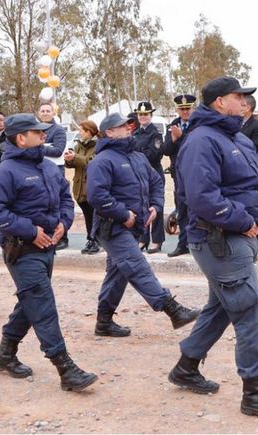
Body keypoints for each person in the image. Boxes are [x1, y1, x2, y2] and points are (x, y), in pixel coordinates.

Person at [168, 76, 258, 420]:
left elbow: (254, 185)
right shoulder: (202, 141)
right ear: (220, 102)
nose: (245, 102)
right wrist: (244, 221)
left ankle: (186, 366)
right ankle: (254, 392)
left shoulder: (234, 136)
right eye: (239, 96)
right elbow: (203, 198)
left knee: (221, 307)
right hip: (218, 238)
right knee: (251, 309)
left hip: (238, 235)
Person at [0, 113, 97, 392]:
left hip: (48, 248)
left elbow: (65, 200)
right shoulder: (5, 171)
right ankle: (65, 368)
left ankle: (5, 355)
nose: (44, 135)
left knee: (30, 302)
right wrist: (31, 231)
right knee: (42, 304)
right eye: (38, 132)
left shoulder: (47, 166)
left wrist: (63, 224)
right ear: (21, 138)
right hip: (22, 251)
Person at [86, 113, 199, 337]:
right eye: (122, 126)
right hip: (112, 227)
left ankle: (104, 322)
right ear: (109, 132)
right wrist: (122, 213)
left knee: (118, 274)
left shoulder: (137, 157)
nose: (129, 128)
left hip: (134, 226)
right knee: (137, 266)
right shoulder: (103, 160)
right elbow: (97, 196)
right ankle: (172, 309)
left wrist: (156, 206)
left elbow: (156, 181)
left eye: (129, 125)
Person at [162, 94, 196, 258]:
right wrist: (174, 139)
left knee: (198, 209)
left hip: (196, 173)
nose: (185, 112)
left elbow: (197, 145)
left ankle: (199, 245)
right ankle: (183, 244)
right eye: (182, 109)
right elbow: (166, 150)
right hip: (179, 174)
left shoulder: (199, 124)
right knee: (181, 210)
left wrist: (182, 136)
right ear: (177, 110)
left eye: (187, 108)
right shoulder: (173, 125)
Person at [132, 101, 165, 254]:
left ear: (151, 115)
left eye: (146, 114)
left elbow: (154, 154)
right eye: (140, 114)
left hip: (154, 174)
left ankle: (157, 241)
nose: (143, 117)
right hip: (139, 175)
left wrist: (139, 154)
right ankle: (143, 239)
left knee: (155, 207)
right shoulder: (135, 134)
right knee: (142, 207)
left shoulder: (156, 134)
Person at [64, 120, 100, 255]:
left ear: (88, 132)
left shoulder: (98, 145)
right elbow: (75, 163)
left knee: (94, 215)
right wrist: (69, 160)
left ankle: (96, 240)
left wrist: (76, 157)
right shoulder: (79, 145)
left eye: (81, 130)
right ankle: (90, 239)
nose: (79, 133)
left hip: (92, 186)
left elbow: (92, 162)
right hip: (79, 187)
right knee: (87, 216)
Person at [38, 103, 69, 250]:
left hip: (55, 171)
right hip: (39, 170)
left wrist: (39, 146)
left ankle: (62, 237)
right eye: (42, 111)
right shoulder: (35, 129)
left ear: (53, 113)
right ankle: (48, 235)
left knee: (57, 203)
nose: (45, 113)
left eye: (48, 111)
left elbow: (57, 150)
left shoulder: (58, 130)